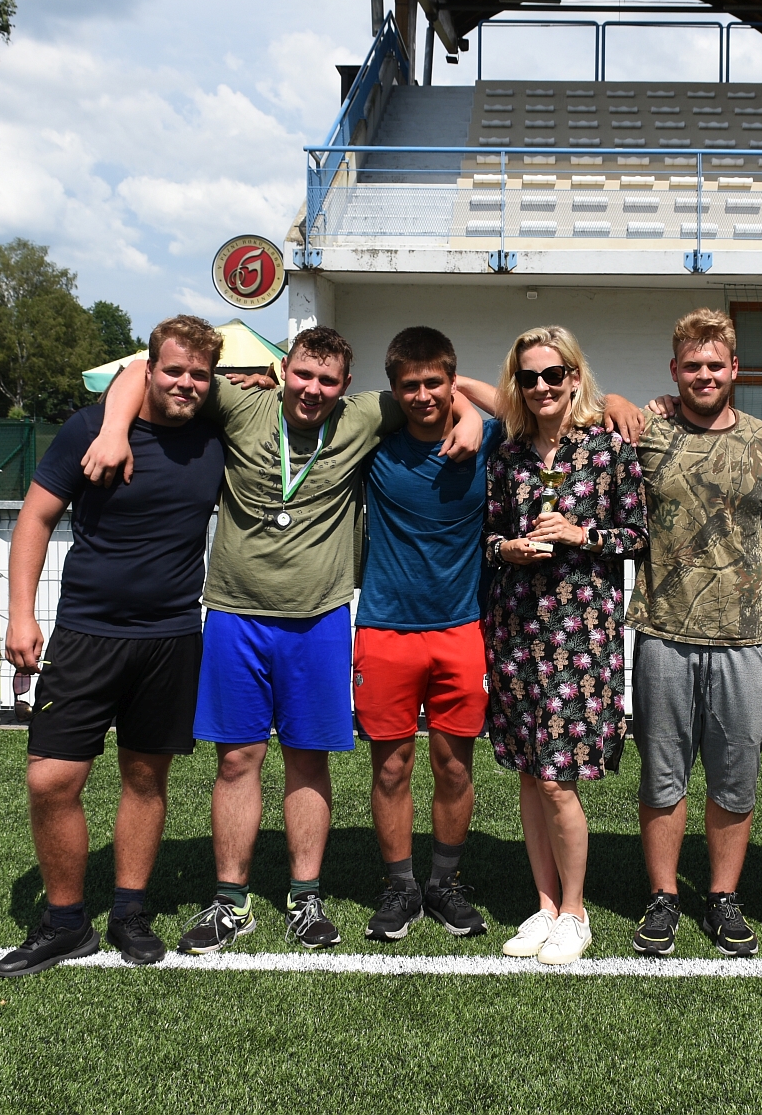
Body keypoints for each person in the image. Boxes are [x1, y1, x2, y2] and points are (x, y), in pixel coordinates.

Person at [82, 326, 483, 953]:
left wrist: (470, 412)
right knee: (236, 761)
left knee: (308, 759)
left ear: (346, 387)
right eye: (302, 374)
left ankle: (305, 897)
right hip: (235, 615)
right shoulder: (241, 404)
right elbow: (140, 369)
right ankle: (230, 901)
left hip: (319, 618)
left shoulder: (362, 416)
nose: (313, 389)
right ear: (282, 370)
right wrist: (112, 431)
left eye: (327, 380)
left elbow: (444, 389)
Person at [0, 316, 227, 977]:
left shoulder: (217, 433)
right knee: (50, 779)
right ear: (149, 369)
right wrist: (20, 615)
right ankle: (65, 922)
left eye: (199, 374)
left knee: (145, 779)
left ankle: (128, 913)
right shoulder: (89, 429)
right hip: (86, 633)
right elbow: (35, 518)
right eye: (173, 369)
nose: (185, 383)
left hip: (171, 637)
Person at [480, 326, 645, 966]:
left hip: (580, 634)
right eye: (529, 377)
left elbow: (638, 536)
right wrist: (507, 549)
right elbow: (488, 537)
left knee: (557, 780)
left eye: (554, 374)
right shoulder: (509, 455)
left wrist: (583, 534)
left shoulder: (608, 448)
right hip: (517, 631)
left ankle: (575, 912)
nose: (542, 387)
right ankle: (544, 906)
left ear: (575, 376)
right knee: (530, 772)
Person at [620, 309, 762, 958]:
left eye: (716, 364)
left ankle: (722, 897)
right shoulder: (648, 433)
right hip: (663, 633)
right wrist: (615, 400)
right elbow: (570, 414)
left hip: (743, 638)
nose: (705, 375)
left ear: (735, 368)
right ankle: (663, 897)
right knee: (663, 777)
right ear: (675, 370)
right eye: (693, 365)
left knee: (735, 779)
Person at [355, 327, 501, 943]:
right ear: (394, 390)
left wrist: (467, 406)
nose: (423, 396)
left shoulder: (487, 438)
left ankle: (444, 883)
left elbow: (519, 405)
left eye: (435, 383)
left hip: (461, 629)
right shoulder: (374, 448)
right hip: (385, 630)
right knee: (391, 768)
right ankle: (400, 886)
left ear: (451, 378)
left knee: (454, 767)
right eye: (410, 386)